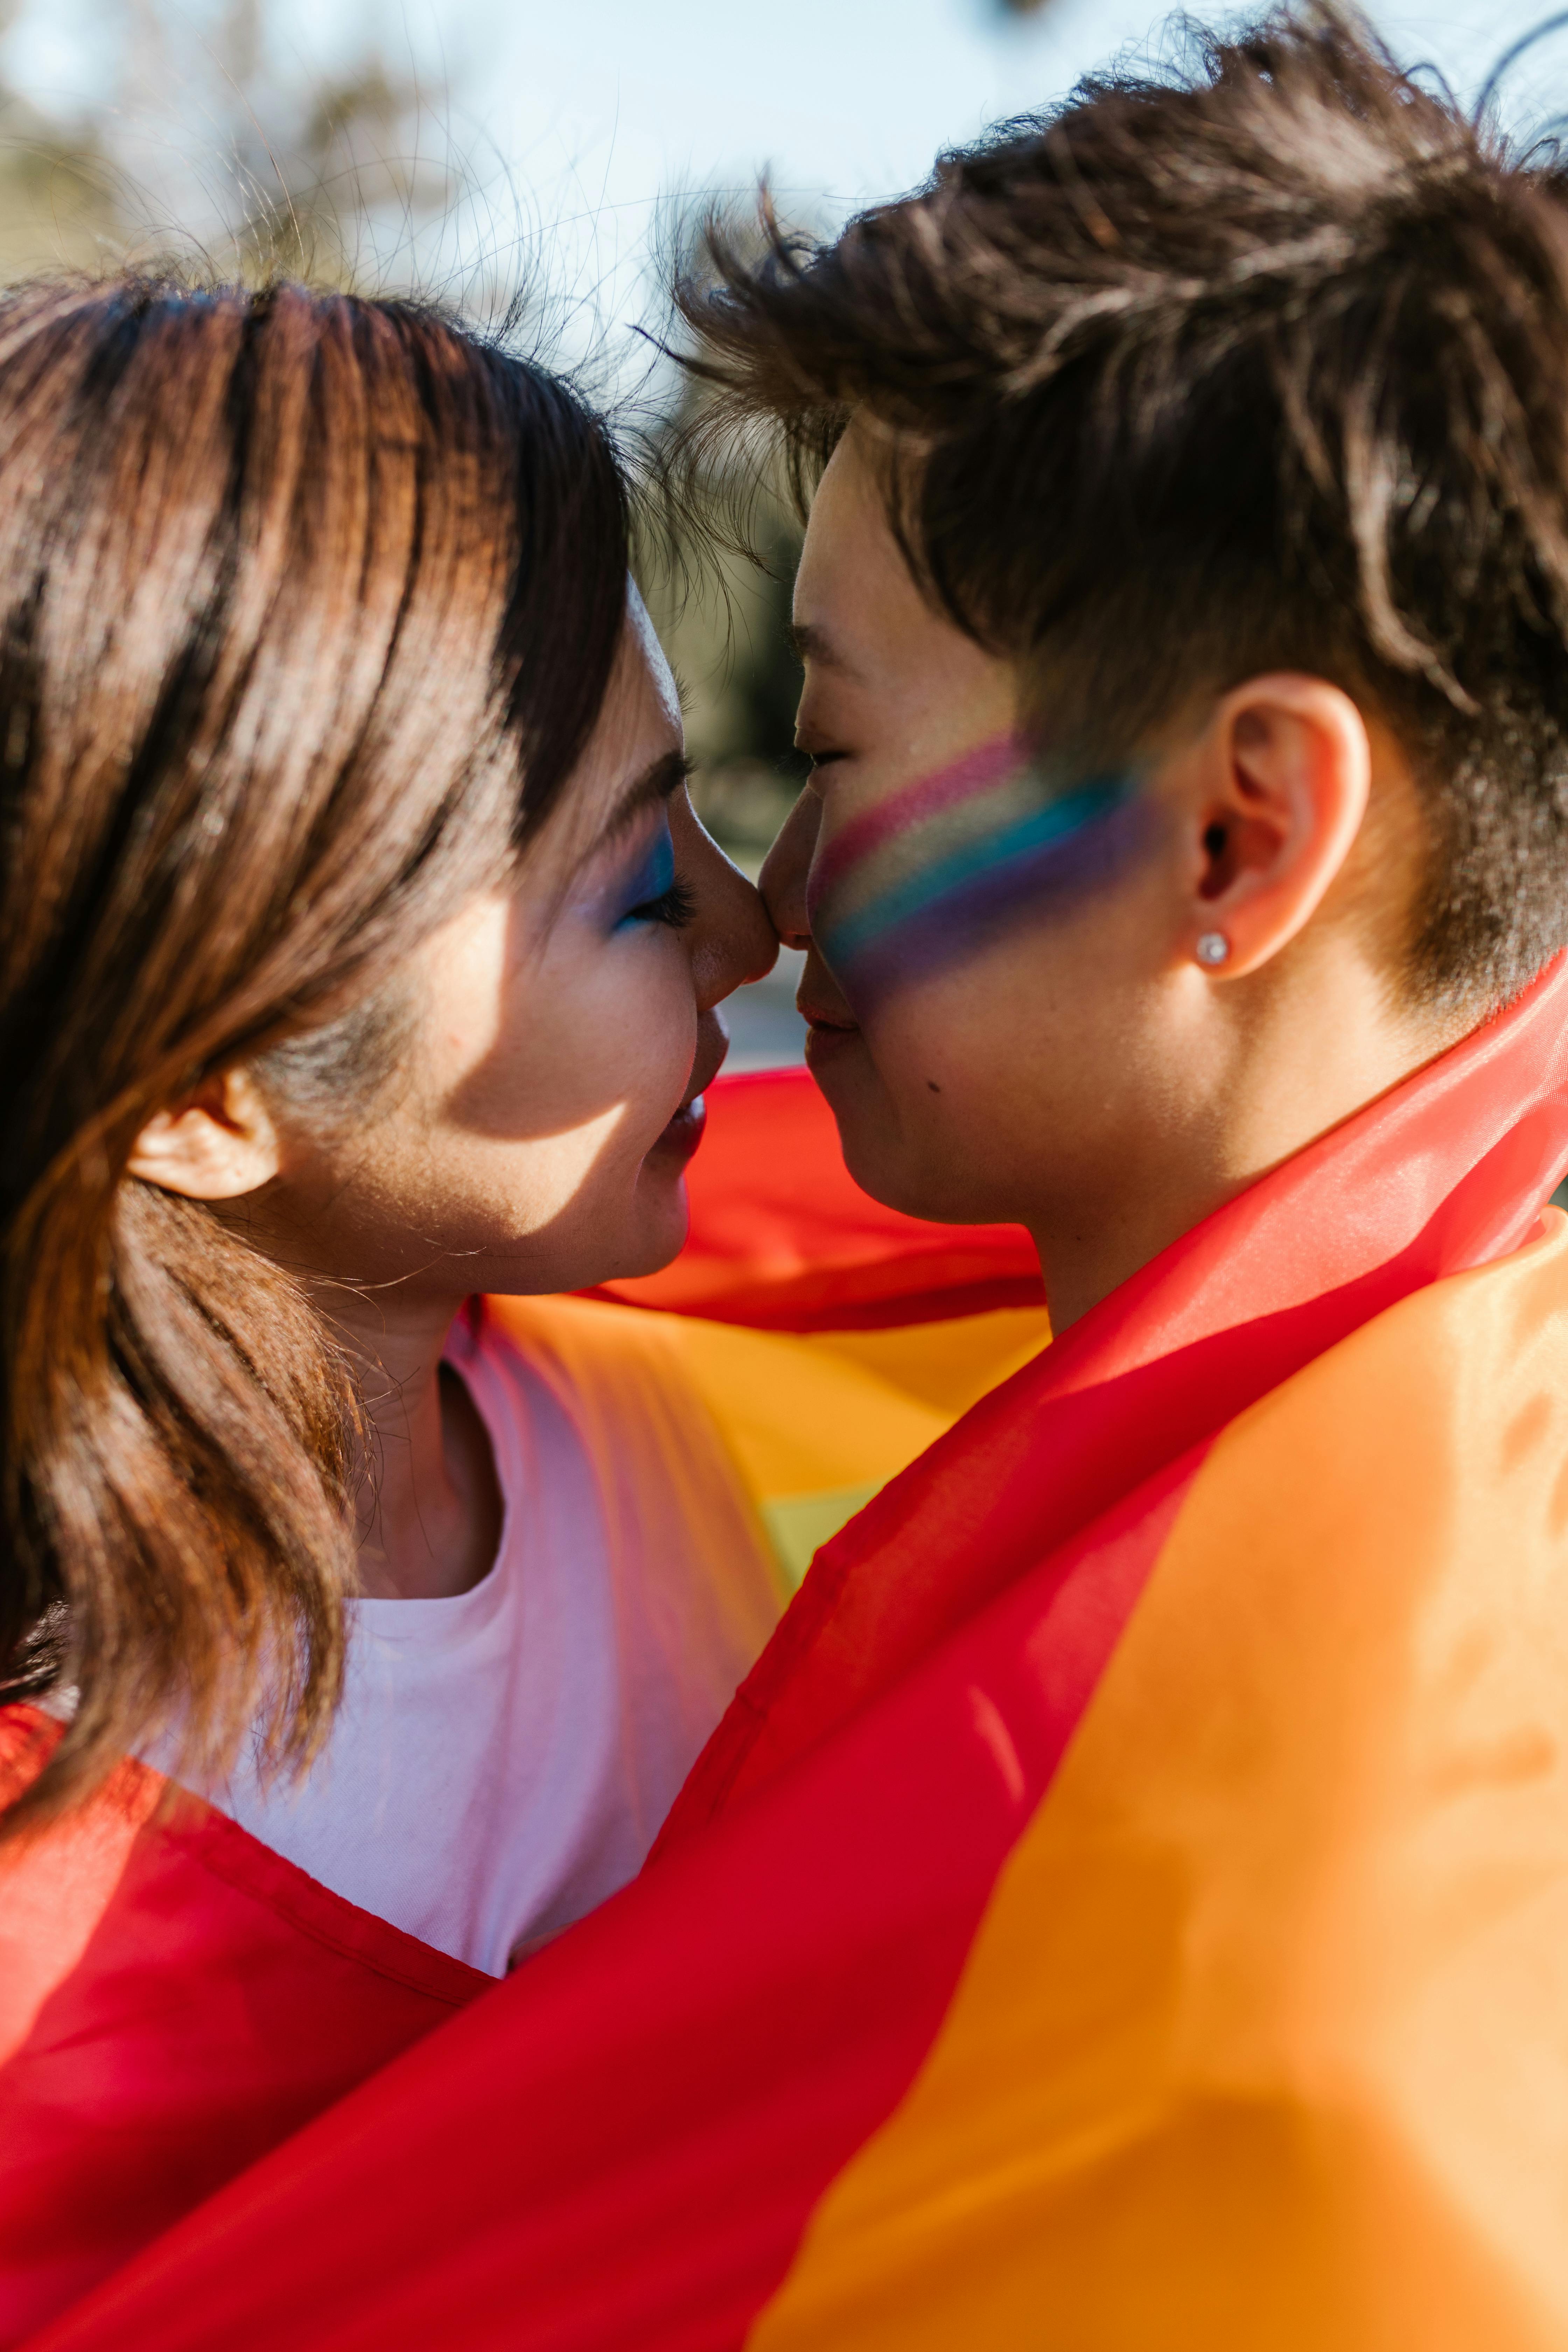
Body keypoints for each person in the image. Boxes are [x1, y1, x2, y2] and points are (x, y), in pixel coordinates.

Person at [27, 12, 1568, 2349]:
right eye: (649, 879)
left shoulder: (1333, 1979)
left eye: (823, 744)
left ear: (1245, 834)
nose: (774, 902)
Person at [0, 274, 800, 2337]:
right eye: (636, 889)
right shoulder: (53, 1922)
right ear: (208, 1091)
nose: (748, 922)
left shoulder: (634, 1392)